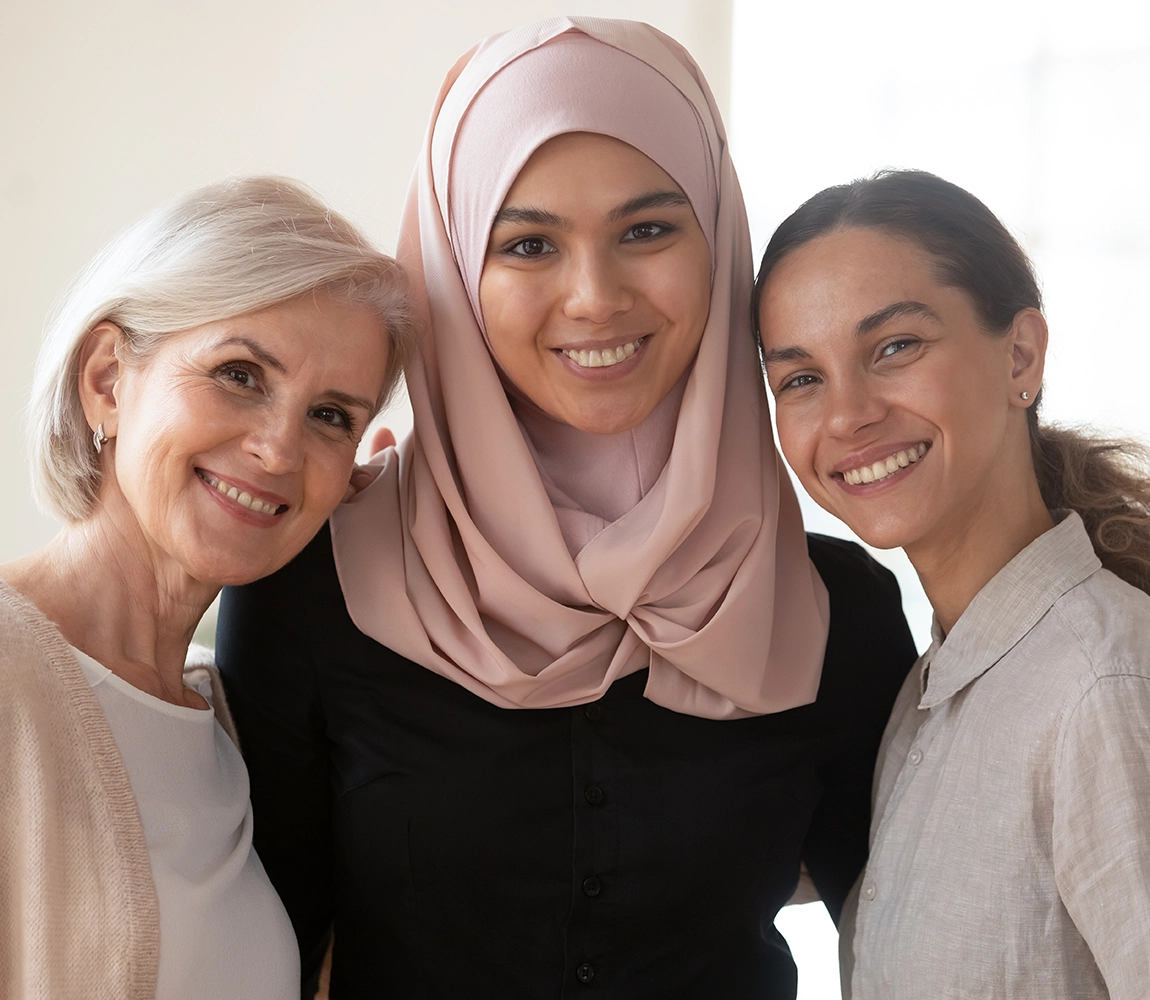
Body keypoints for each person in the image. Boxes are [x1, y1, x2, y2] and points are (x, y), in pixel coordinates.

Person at [217, 19, 916, 999]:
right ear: (456, 270)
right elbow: (259, 958)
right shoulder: (318, 586)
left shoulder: (834, 613)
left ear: (718, 241)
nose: (593, 296)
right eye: (529, 243)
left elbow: (914, 951)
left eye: (646, 229)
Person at [0, 175, 413, 1000]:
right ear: (109, 379)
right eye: (240, 375)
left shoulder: (218, 717)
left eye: (331, 417)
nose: (279, 452)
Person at [754, 168, 1150, 999]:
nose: (847, 414)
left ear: (1021, 355)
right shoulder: (930, 692)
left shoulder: (1102, 689)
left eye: (894, 347)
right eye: (800, 378)